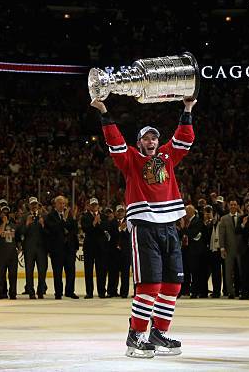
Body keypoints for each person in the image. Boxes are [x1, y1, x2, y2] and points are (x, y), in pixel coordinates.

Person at [91, 96, 196, 358]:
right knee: (149, 285)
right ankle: (135, 336)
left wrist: (188, 108)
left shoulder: (168, 157)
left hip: (170, 226)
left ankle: (158, 332)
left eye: (154, 138)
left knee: (172, 285)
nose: (150, 142)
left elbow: (185, 138)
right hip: (144, 226)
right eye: (146, 138)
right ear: (139, 143)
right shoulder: (130, 160)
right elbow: (114, 141)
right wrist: (104, 112)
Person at [45, 196, 79, 299]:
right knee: (57, 272)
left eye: (63, 203)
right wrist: (63, 220)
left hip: (69, 248)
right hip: (57, 249)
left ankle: (69, 291)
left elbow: (74, 229)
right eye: (60, 203)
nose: (62, 205)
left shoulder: (69, 215)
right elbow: (53, 229)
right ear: (55, 204)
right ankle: (58, 293)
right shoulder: (50, 216)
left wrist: (72, 219)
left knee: (71, 271)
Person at [80, 197, 110, 298]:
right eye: (92, 205)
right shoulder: (85, 216)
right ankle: (89, 292)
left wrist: (99, 223)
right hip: (89, 247)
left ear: (98, 206)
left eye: (95, 205)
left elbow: (106, 228)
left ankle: (102, 292)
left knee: (101, 270)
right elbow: (86, 229)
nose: (94, 206)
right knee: (88, 270)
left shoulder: (103, 217)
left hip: (101, 248)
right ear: (89, 206)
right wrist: (93, 223)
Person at [19, 197, 48, 299]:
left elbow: (49, 233)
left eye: (35, 204)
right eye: (32, 204)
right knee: (29, 271)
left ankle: (41, 291)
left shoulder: (44, 216)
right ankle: (31, 292)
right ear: (29, 205)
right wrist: (27, 224)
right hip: (29, 248)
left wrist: (43, 225)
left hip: (42, 249)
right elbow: (20, 233)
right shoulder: (24, 217)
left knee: (42, 271)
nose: (34, 206)